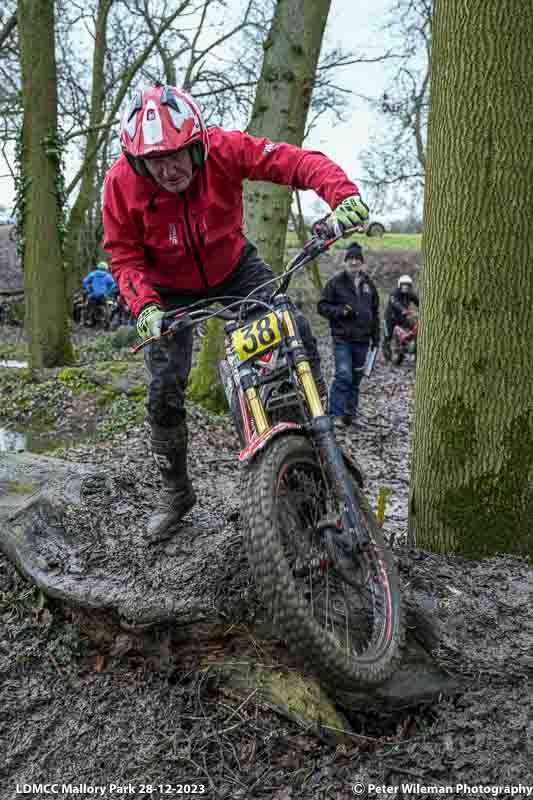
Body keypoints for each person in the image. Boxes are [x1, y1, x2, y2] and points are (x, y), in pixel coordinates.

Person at [102, 83, 370, 542]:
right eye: (155, 160)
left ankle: (318, 444)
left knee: (294, 330)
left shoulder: (226, 149)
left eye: (178, 155)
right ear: (137, 161)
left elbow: (295, 161)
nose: (168, 169)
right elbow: (123, 255)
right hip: (166, 290)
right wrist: (144, 306)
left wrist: (341, 196)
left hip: (233, 267)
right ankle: (176, 493)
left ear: (198, 144)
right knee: (164, 390)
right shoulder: (120, 185)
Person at [317, 242, 380, 427]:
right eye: (350, 259)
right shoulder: (335, 283)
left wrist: (376, 338)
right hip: (342, 338)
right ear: (345, 262)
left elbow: (375, 312)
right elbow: (322, 306)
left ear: (362, 263)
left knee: (356, 379)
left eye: (357, 259)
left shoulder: (369, 284)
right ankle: (335, 414)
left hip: (363, 339)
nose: (354, 263)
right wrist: (340, 311)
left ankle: (350, 415)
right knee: (344, 375)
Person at [383, 275, 419, 356]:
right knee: (387, 336)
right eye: (404, 284)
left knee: (415, 328)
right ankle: (387, 353)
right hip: (390, 317)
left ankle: (410, 344)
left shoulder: (410, 294)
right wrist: (403, 309)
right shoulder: (394, 293)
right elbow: (395, 302)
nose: (406, 287)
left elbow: (418, 302)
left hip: (402, 317)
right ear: (400, 285)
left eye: (408, 285)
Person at [82, 261, 118, 325]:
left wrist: (88, 289)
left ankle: (85, 321)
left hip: (93, 295)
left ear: (98, 267)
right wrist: (108, 292)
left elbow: (85, 282)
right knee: (107, 308)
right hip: (103, 296)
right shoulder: (108, 276)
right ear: (106, 268)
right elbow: (114, 285)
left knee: (87, 307)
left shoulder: (92, 274)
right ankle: (107, 322)